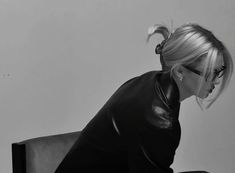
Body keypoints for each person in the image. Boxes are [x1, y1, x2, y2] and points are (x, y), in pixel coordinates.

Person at [55, 23, 233, 173]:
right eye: (210, 73)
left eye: (219, 72)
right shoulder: (159, 119)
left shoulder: (150, 81)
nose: (216, 82)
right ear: (179, 71)